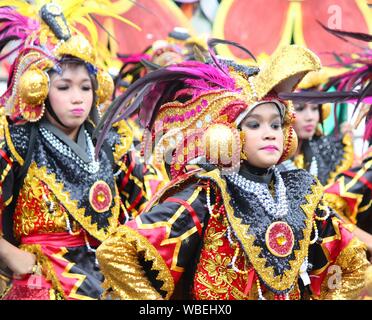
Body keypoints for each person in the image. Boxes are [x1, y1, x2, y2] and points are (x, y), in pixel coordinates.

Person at [95, 43, 369, 300]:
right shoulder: (207, 196)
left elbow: (354, 266)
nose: (269, 134)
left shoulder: (302, 192)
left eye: (275, 125)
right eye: (254, 124)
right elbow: (118, 253)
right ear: (227, 132)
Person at [0, 1, 162, 300]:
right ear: (41, 90)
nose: (77, 98)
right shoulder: (15, 140)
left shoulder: (114, 143)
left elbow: (151, 206)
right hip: (43, 275)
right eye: (64, 87)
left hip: (108, 272)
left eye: (85, 87)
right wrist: (11, 255)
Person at [280, 71, 354, 185]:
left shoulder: (326, 150)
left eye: (314, 108)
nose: (310, 117)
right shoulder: (271, 157)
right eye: (300, 109)